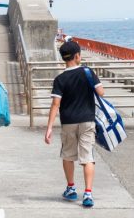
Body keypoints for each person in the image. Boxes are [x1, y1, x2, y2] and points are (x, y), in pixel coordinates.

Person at [44, 40, 105, 208]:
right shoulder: (87, 72)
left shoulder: (60, 79)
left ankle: (71, 189)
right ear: (77, 56)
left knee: (68, 155)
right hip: (87, 120)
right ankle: (88, 193)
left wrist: (49, 128)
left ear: (64, 58)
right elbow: (101, 92)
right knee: (88, 158)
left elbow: (55, 104)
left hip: (68, 122)